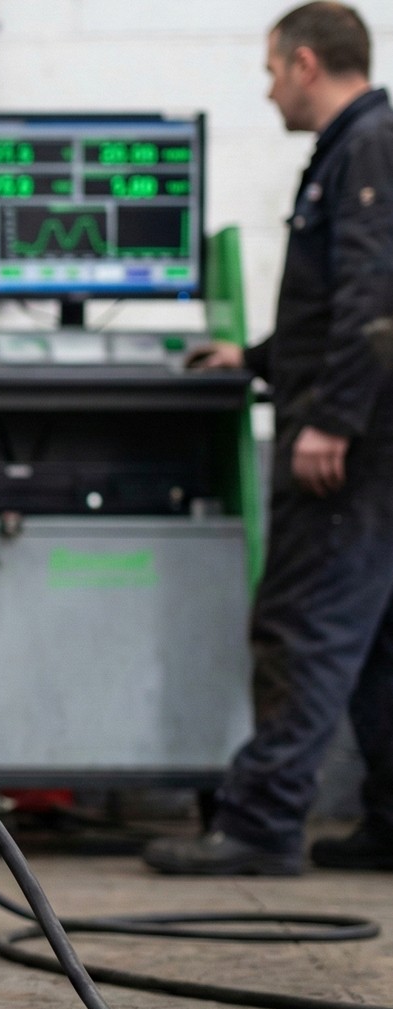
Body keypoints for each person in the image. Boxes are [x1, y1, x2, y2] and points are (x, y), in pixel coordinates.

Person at [145, 2, 393, 875]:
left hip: (352, 442)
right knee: (375, 639)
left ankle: (259, 823)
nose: (267, 91)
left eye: (269, 72)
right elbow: (334, 305)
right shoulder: (354, 148)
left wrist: (331, 420)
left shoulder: (367, 147)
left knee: (305, 622)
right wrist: (251, 357)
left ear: (304, 63)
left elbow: (372, 297)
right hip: (368, 431)